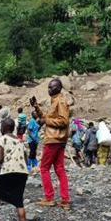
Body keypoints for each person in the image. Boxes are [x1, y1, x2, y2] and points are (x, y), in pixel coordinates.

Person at [0, 117, 31, 221]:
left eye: (2, 126)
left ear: (4, 128)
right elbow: (26, 159)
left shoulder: (1, 140)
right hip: (22, 173)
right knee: (19, 202)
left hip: (7, 171)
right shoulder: (20, 142)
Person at [35, 78, 72, 208]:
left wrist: (46, 121)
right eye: (49, 87)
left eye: (51, 87)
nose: (49, 89)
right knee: (59, 168)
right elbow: (47, 117)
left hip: (53, 139)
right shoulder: (55, 101)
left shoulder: (60, 101)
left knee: (44, 168)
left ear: (58, 88)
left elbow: (64, 121)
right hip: (59, 140)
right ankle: (65, 200)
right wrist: (36, 107)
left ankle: (49, 197)